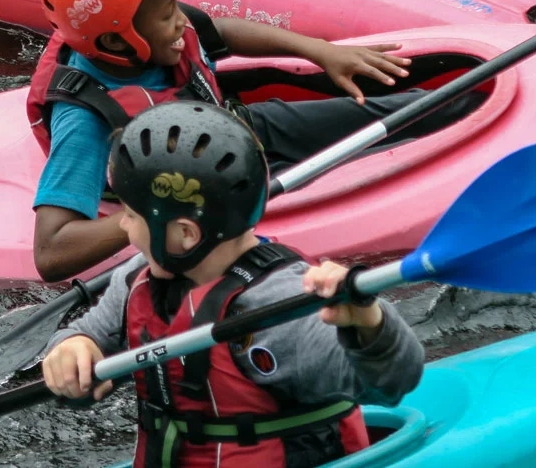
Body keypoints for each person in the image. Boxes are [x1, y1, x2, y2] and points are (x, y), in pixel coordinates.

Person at [27, 0, 457, 282]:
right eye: (166, 14)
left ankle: (452, 112)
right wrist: (152, 213)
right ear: (116, 40)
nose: (180, 19)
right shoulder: (86, 118)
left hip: (242, 126)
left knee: (415, 112)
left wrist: (320, 51)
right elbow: (50, 252)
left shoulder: (147, 26)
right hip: (205, 188)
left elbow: (216, 30)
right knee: (364, 166)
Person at [41, 102, 424, 468]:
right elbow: (90, 337)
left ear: (184, 235)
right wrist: (72, 349)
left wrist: (367, 321)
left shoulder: (279, 306)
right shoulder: (136, 279)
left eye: (130, 215)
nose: (123, 227)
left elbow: (392, 383)